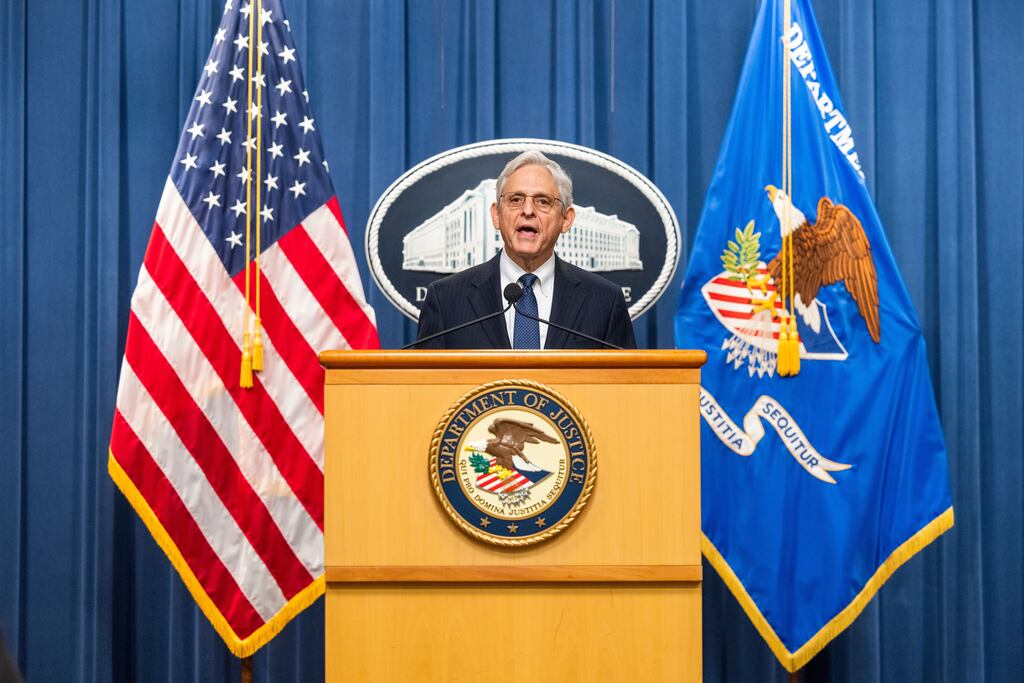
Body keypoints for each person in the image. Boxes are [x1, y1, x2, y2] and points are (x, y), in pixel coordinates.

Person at [415, 151, 636, 349]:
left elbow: (622, 389)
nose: (528, 211)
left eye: (543, 201)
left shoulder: (605, 301)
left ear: (566, 220)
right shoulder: (445, 300)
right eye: (515, 200)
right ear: (496, 215)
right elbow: (425, 387)